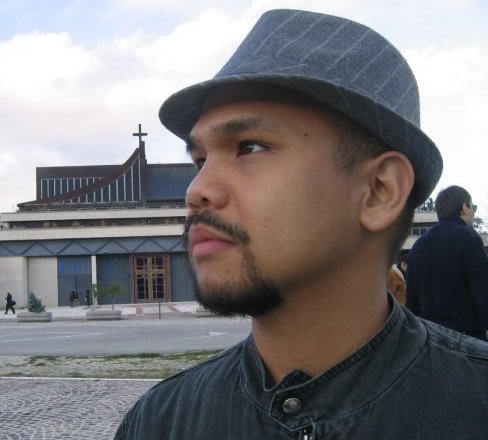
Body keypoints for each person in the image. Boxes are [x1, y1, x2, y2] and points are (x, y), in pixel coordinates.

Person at [115, 9, 488, 440]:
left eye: (250, 147)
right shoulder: (161, 422)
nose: (196, 190)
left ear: (378, 190)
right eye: (200, 160)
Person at [406, 185, 488, 340]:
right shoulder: (469, 238)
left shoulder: (418, 246)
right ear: (465, 207)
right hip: (468, 339)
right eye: (473, 207)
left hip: (430, 340)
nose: (473, 213)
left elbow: (412, 304)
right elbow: (482, 292)